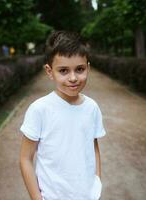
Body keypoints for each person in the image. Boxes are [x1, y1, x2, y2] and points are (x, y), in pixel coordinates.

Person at [19, 31, 106, 200]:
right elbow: (25, 159)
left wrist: (96, 185)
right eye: (64, 70)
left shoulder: (92, 108)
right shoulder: (39, 110)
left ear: (87, 68)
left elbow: (93, 147)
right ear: (50, 71)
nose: (73, 78)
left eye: (79, 69)